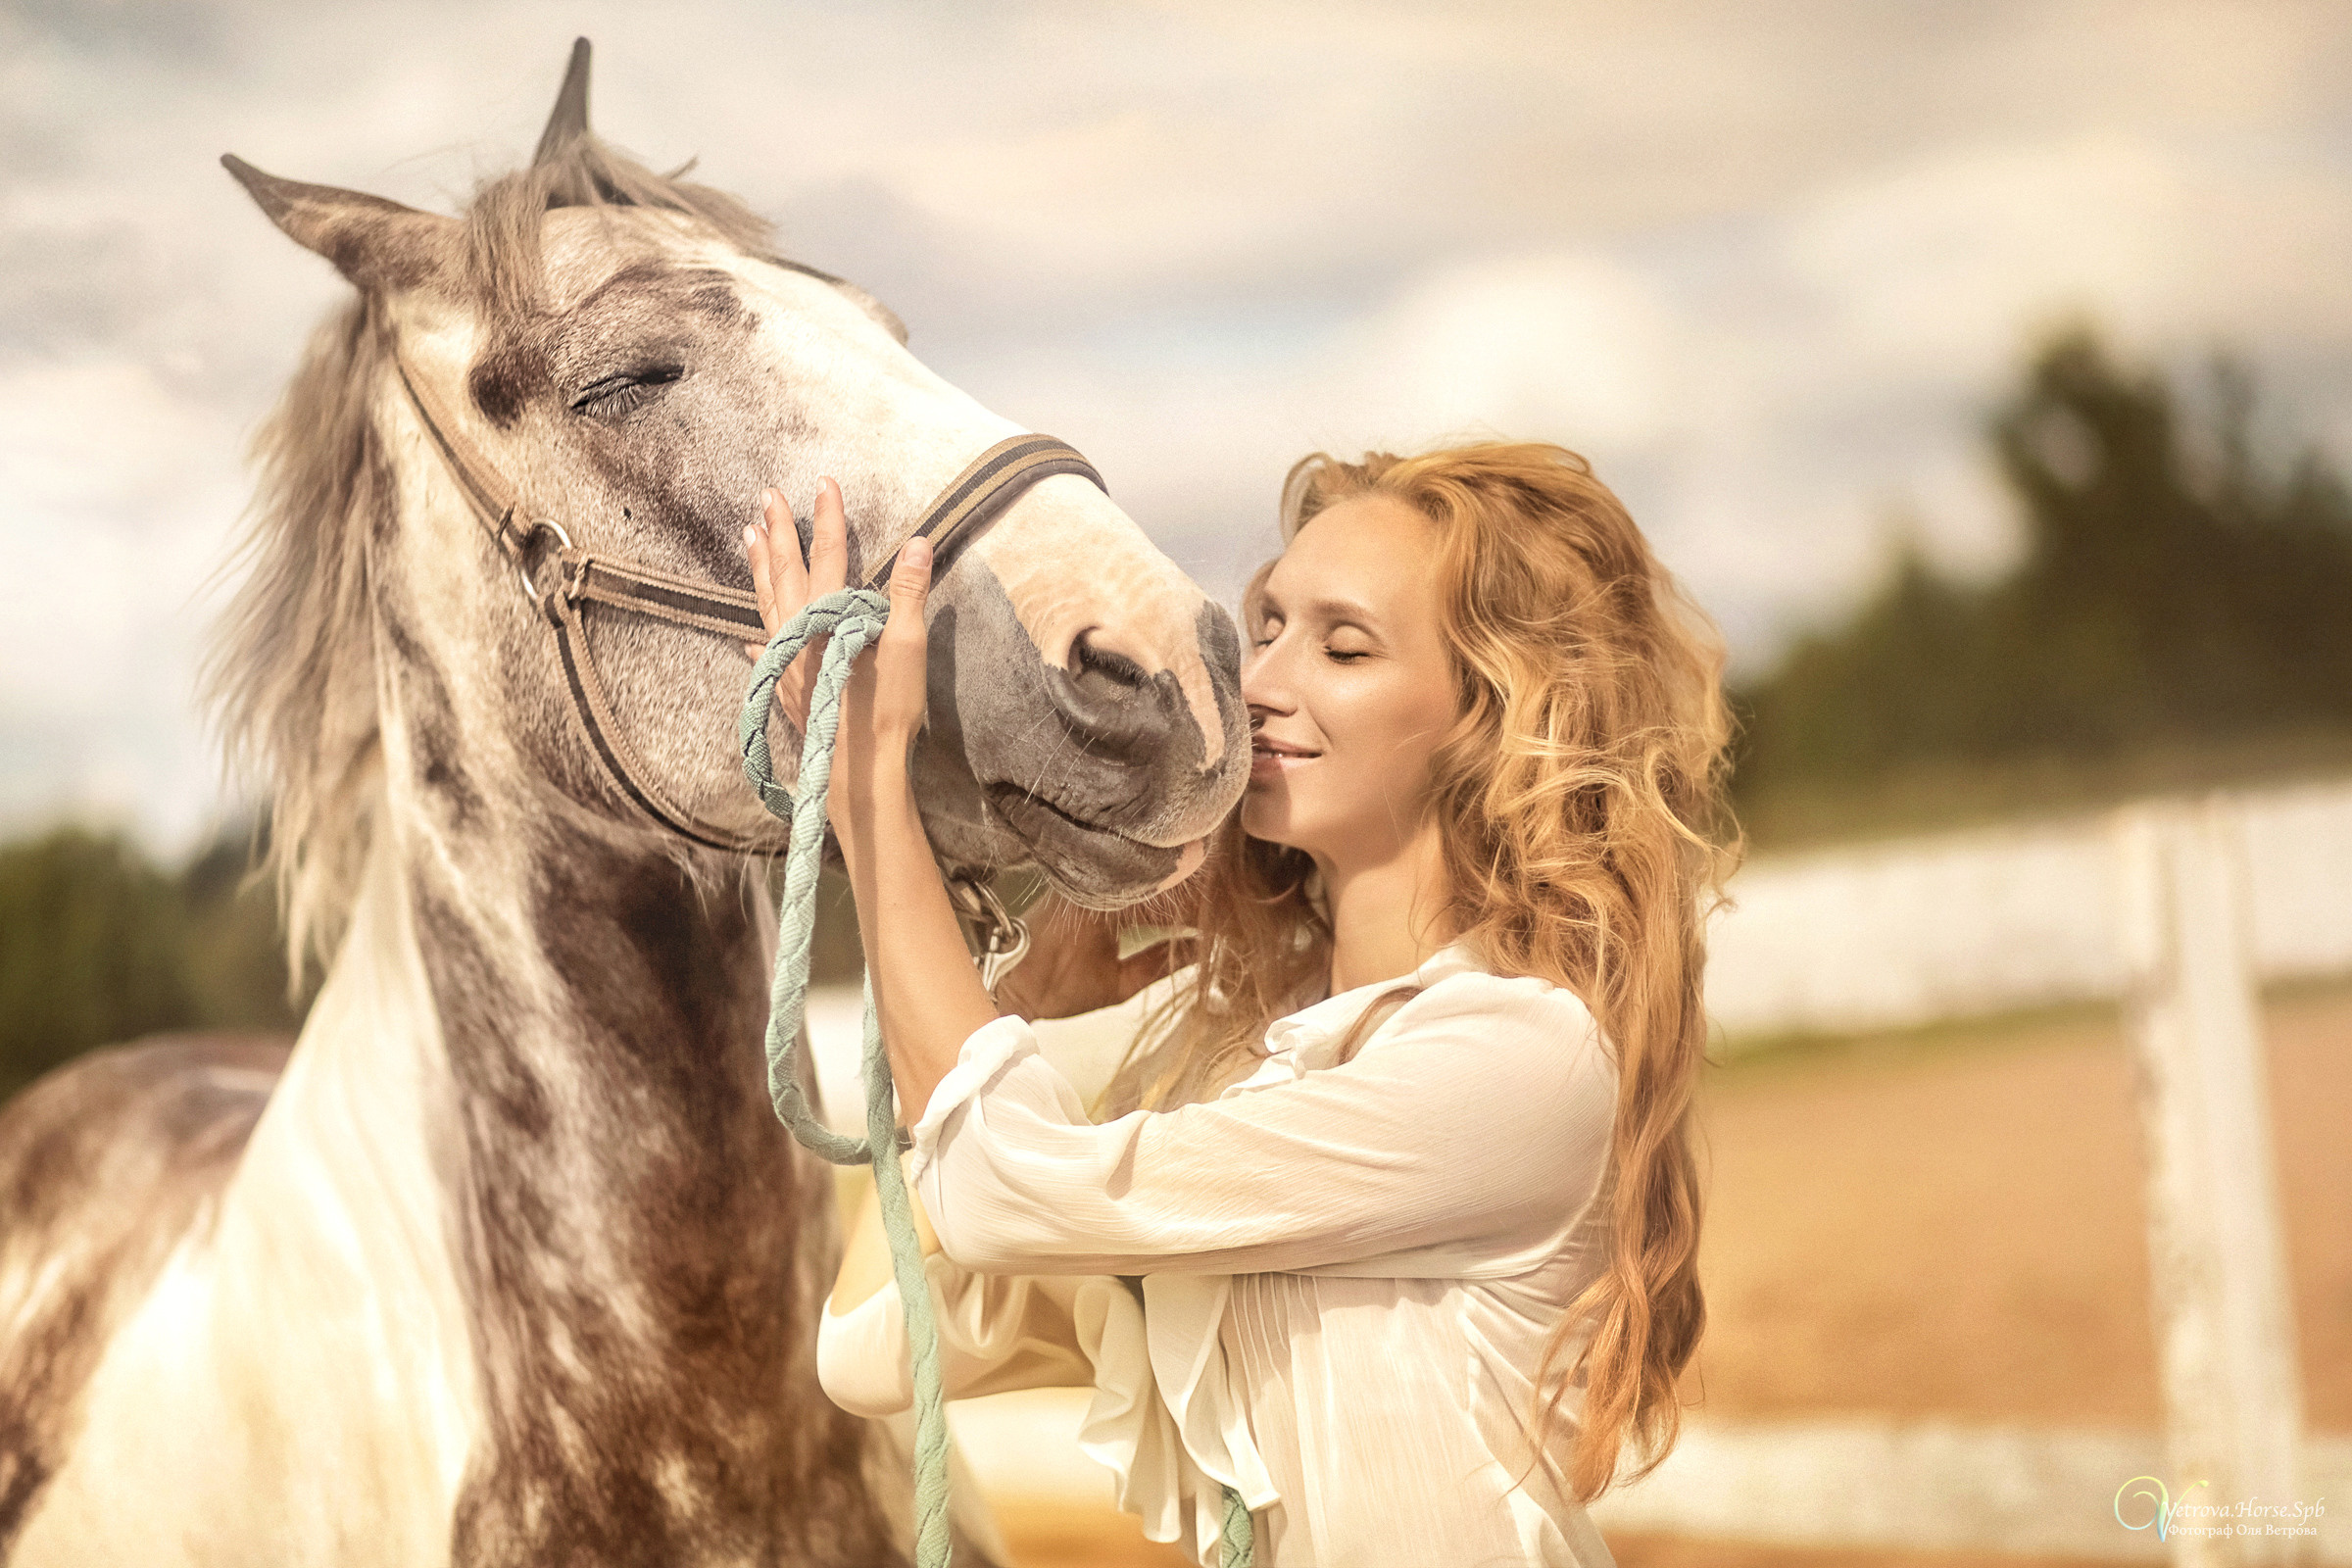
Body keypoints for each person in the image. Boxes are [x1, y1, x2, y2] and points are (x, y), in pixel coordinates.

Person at [740, 442, 1739, 1567]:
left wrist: (871, 784)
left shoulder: (1519, 1057)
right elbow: (874, 1346)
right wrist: (1016, 1005)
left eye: (1344, 646)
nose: (1259, 682)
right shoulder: (1235, 1064)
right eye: (1265, 627)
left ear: (1491, 714)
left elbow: (1007, 1190)